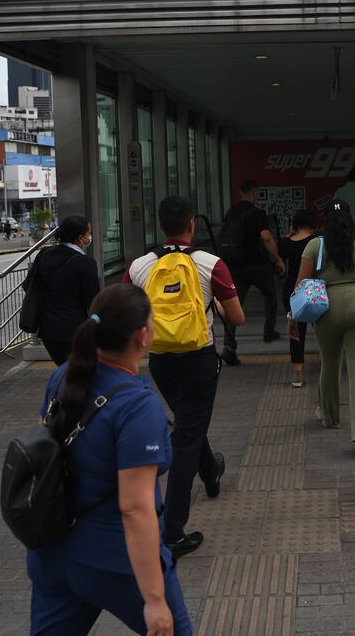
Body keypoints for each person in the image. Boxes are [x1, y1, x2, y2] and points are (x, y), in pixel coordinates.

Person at [27, 284, 192, 636]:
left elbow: (48, 452)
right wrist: (154, 600)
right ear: (143, 336)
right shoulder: (137, 405)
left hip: (52, 553)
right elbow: (135, 509)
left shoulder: (63, 376)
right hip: (117, 563)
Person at [125, 196, 246, 559]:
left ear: (161, 225)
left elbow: (127, 310)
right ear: (192, 225)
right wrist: (218, 304)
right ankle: (172, 532)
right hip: (199, 360)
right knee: (186, 439)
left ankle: (211, 473)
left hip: (161, 361)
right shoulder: (212, 264)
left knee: (190, 425)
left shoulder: (140, 267)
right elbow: (237, 317)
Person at [291, 200, 355, 458]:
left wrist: (292, 317)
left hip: (326, 309)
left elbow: (301, 284)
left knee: (329, 363)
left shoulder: (314, 245)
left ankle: (331, 417)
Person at [219, 179, 285, 367]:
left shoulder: (231, 212)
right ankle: (268, 331)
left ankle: (229, 347)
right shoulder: (257, 213)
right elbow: (266, 238)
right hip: (257, 265)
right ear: (255, 193)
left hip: (235, 265)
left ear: (240, 192)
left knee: (234, 305)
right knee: (270, 294)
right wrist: (277, 259)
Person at [23, 215, 101, 366]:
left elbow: (28, 285)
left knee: (67, 372)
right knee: (81, 376)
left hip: (47, 332)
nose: (90, 236)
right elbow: (94, 301)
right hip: (74, 332)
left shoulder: (44, 254)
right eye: (89, 233)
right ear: (80, 238)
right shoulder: (86, 263)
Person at [280, 209, 319, 388]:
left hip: (292, 288)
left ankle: (297, 374)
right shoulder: (317, 241)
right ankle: (328, 365)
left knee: (296, 331)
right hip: (315, 288)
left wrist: (289, 235)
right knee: (321, 329)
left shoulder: (286, 242)